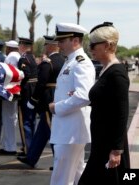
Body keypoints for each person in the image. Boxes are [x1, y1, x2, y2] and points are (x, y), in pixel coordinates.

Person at [78, 22, 130, 185]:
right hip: (101, 141)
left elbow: (122, 113)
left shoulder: (117, 73)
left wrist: (116, 150)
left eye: (93, 45)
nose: (90, 49)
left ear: (107, 45)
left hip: (109, 145)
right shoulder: (106, 69)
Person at [48, 23, 95, 185]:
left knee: (61, 179)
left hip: (71, 131)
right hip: (68, 130)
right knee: (76, 176)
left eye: (62, 41)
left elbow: (84, 96)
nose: (58, 45)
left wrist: (57, 107)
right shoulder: (71, 61)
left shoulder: (81, 63)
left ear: (75, 40)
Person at [17, 35, 64, 167]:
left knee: (52, 132)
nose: (44, 47)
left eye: (45, 45)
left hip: (48, 99)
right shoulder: (63, 60)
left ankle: (58, 162)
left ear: (50, 46)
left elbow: (41, 83)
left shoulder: (48, 62)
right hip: (58, 97)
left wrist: (33, 100)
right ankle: (31, 158)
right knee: (42, 132)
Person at [0, 40, 21, 154]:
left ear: (8, 48)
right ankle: (7, 144)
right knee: (12, 117)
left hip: (10, 89)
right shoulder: (18, 55)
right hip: (16, 89)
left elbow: (8, 74)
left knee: (8, 117)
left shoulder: (11, 57)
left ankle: (10, 147)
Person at [17, 37, 38, 155]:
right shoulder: (33, 57)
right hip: (34, 89)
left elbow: (25, 75)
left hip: (27, 90)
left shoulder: (24, 58)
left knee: (25, 120)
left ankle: (27, 148)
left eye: (20, 45)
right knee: (32, 119)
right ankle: (31, 147)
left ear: (23, 46)